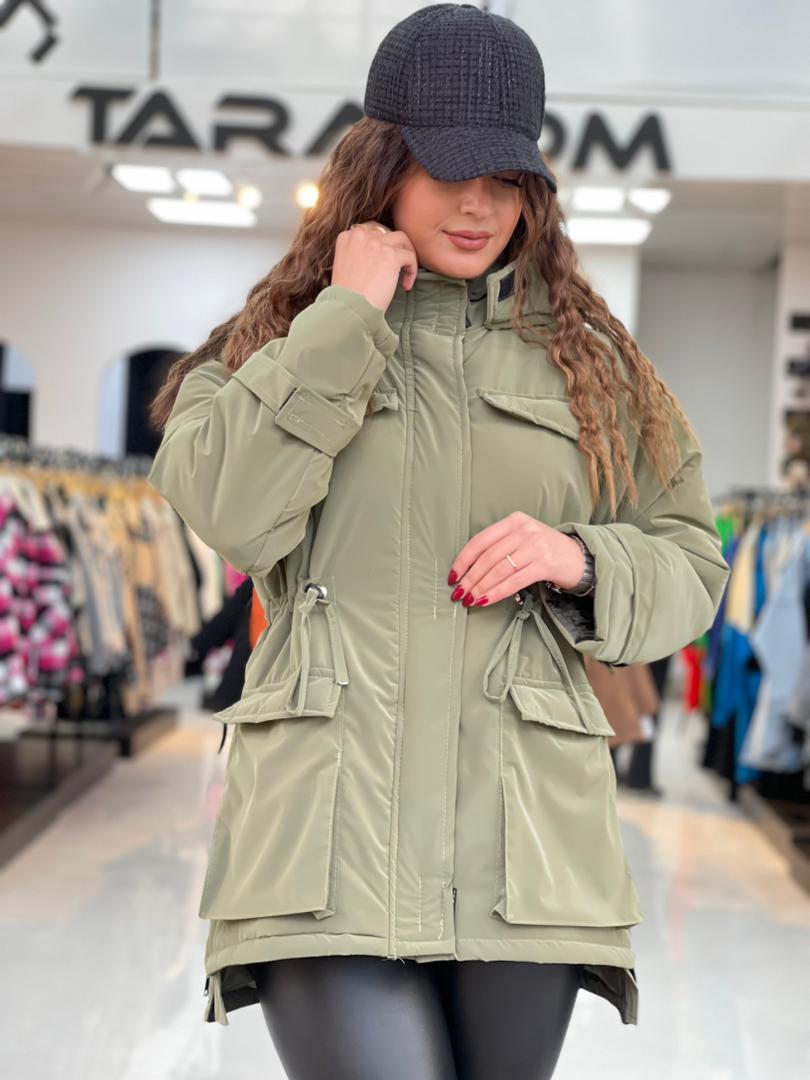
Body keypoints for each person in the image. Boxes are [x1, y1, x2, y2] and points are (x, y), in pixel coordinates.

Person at [147, 5, 731, 1077]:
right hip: (324, 841)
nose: (479, 204)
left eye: (507, 179)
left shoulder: (592, 366)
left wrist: (584, 560)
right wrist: (345, 321)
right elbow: (229, 509)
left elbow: (693, 563)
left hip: (523, 847)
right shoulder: (277, 340)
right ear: (381, 167)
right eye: (450, 169)